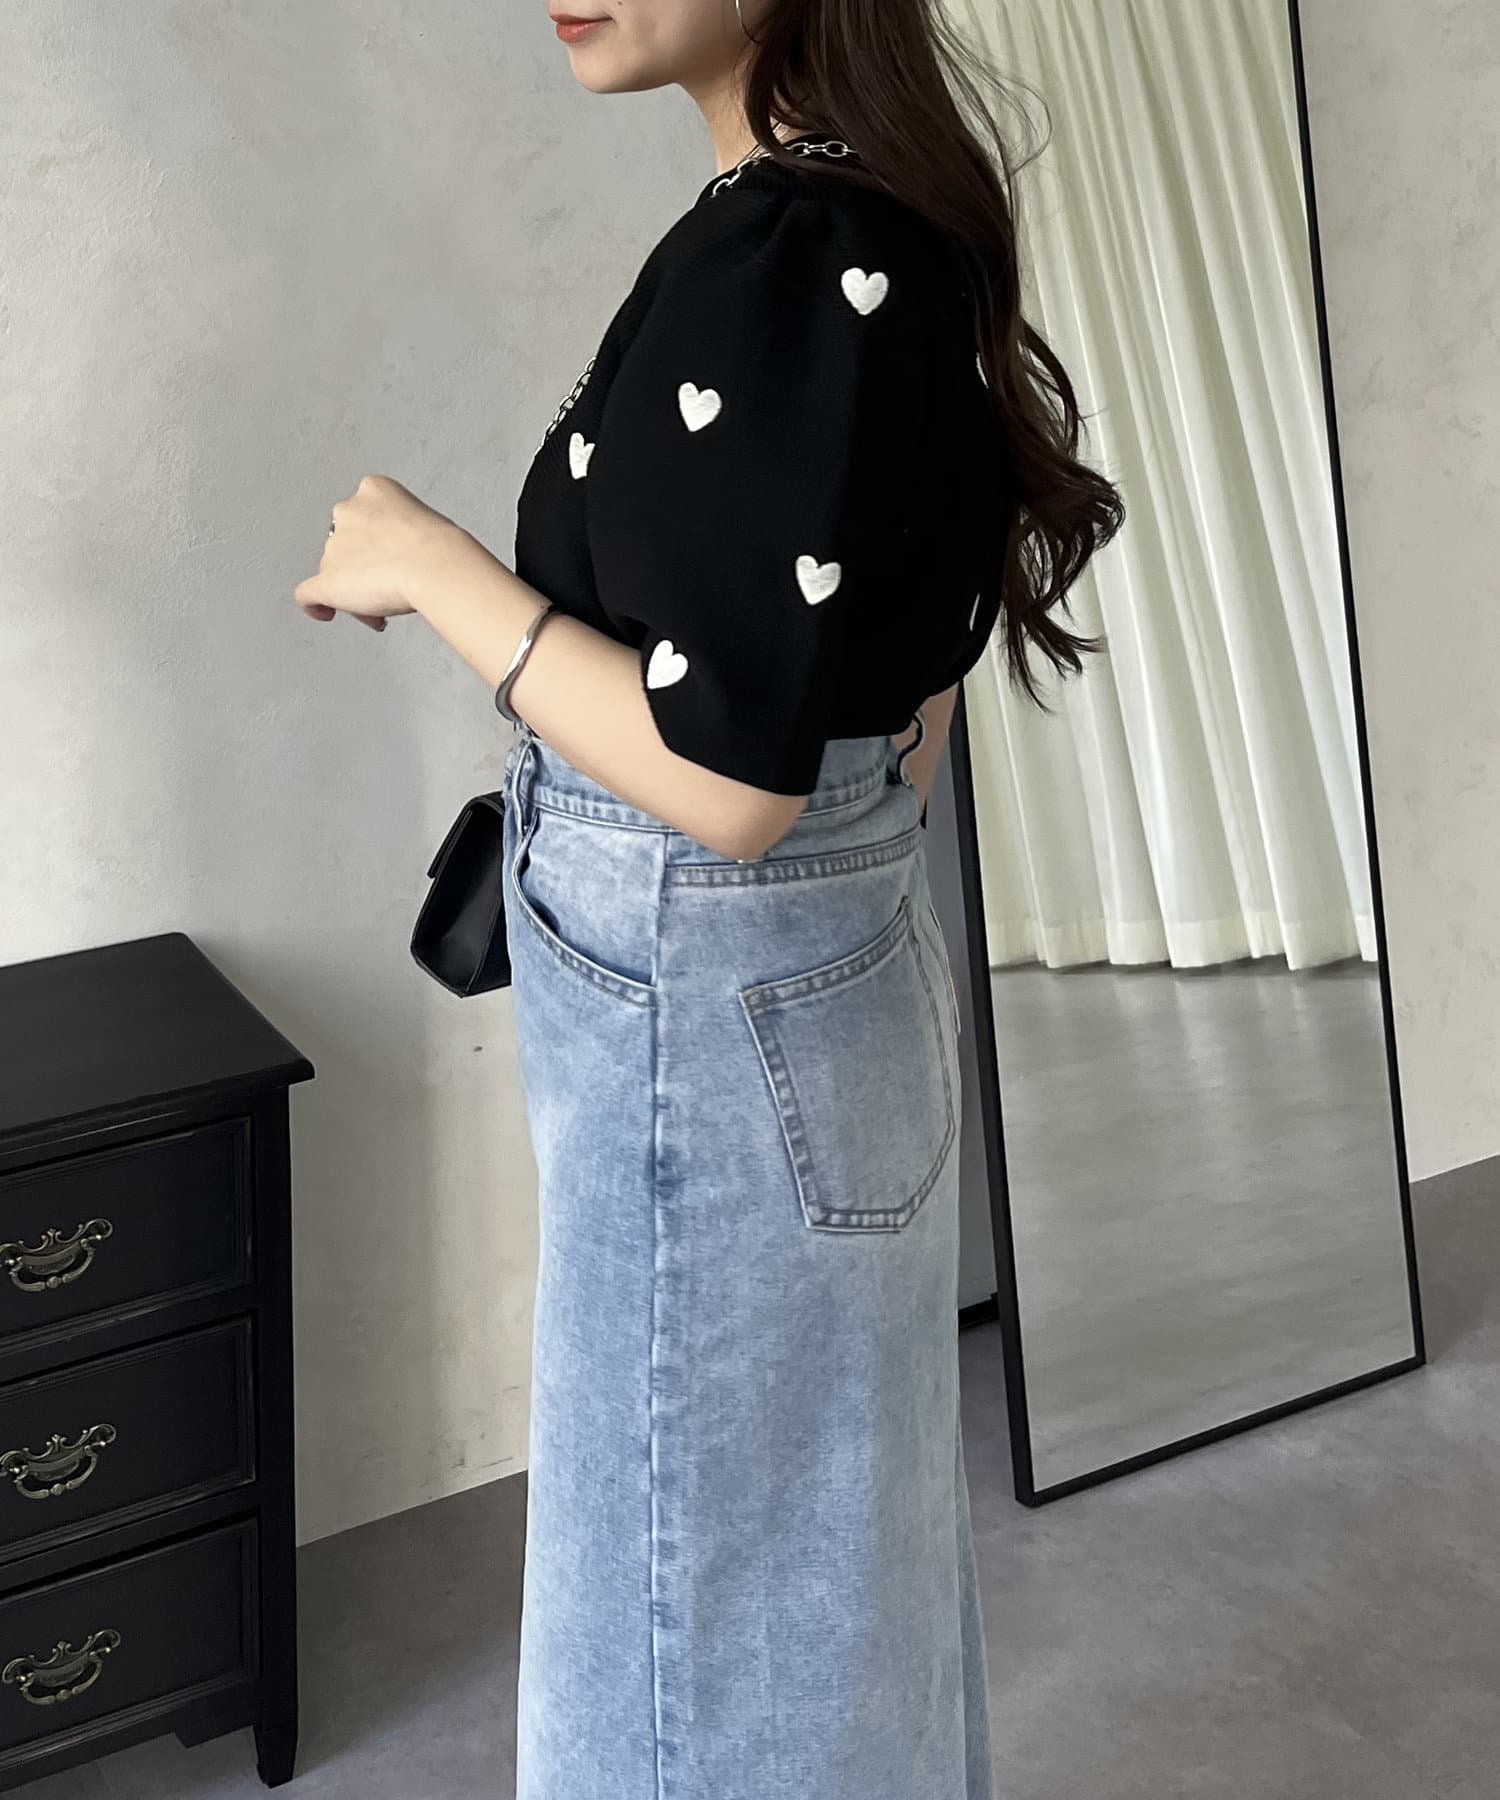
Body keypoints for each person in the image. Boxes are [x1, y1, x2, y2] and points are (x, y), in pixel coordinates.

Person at [295, 3, 1124, 1794]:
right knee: (823, 1595)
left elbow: (733, 784)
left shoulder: (788, 251)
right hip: (828, 977)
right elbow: (901, 706)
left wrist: (442, 571)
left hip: (715, 1001)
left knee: (677, 1634)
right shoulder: (882, 225)